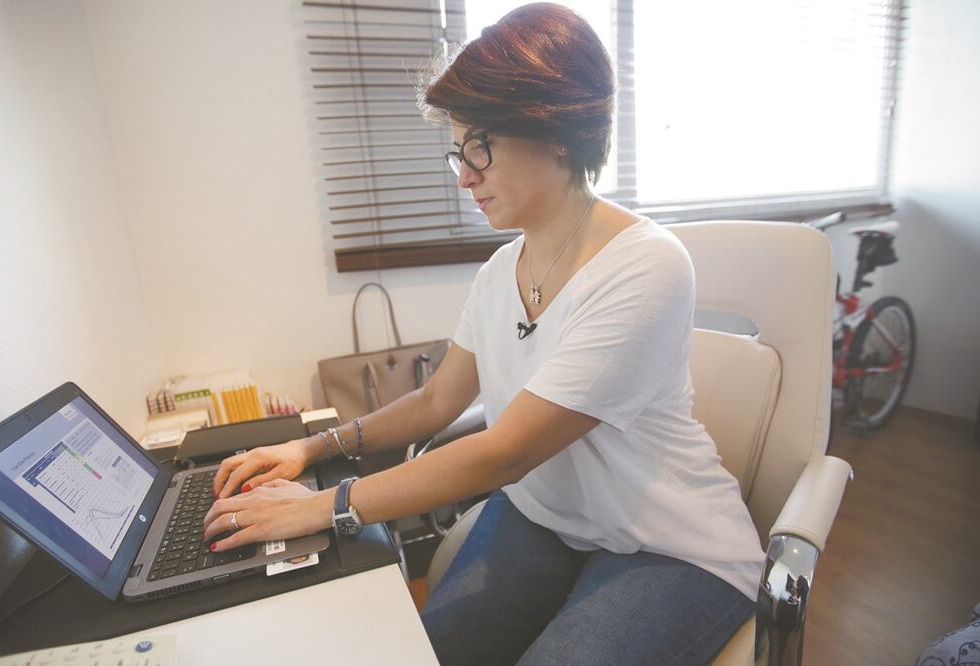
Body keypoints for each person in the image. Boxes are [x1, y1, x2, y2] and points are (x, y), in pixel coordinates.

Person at [203, 3, 763, 663]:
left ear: (556, 131)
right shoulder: (502, 270)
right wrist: (309, 445)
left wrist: (322, 507)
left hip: (665, 545)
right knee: (430, 654)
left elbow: (506, 453)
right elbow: (439, 400)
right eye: (458, 149)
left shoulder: (646, 265)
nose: (464, 174)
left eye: (480, 145)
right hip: (547, 517)